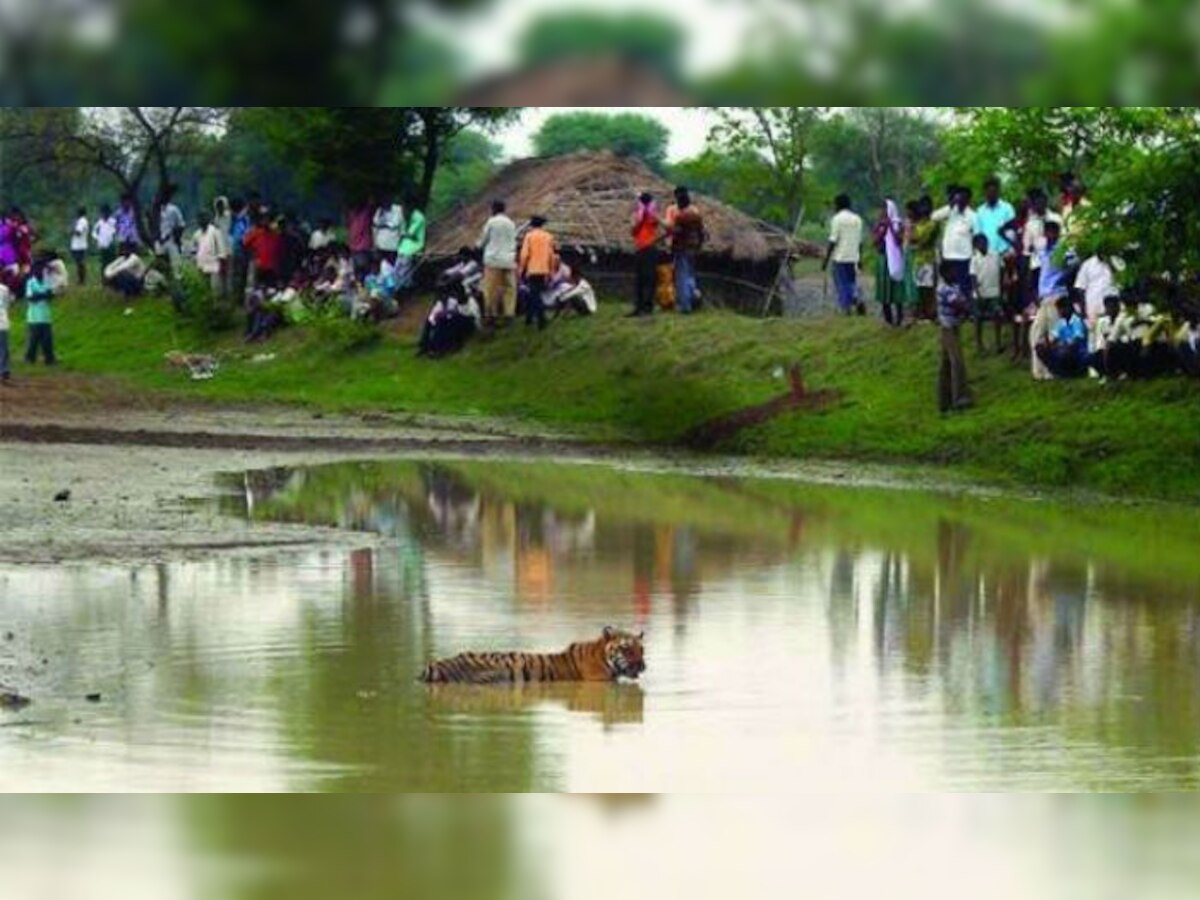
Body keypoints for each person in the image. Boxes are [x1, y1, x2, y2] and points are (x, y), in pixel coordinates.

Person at [1030, 220, 1068, 381]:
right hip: (1043, 296)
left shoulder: (1062, 249)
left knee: (1055, 334)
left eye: (1054, 232)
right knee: (1036, 333)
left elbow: (1072, 266)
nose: (1051, 235)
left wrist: (1061, 280)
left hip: (1057, 294)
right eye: (1048, 232)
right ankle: (1039, 372)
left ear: (1057, 233)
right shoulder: (1042, 250)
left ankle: (1055, 371)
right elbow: (1037, 271)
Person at [936, 260, 973, 414]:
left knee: (946, 364)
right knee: (956, 362)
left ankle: (944, 399)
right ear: (945, 274)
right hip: (949, 328)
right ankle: (959, 398)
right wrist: (968, 308)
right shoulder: (944, 288)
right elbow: (959, 303)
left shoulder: (953, 286)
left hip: (953, 326)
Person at [931, 186, 977, 298]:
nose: (960, 201)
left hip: (964, 258)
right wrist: (950, 206)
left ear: (968, 200)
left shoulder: (973, 216)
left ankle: (965, 311)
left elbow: (977, 236)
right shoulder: (950, 212)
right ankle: (949, 311)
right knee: (949, 287)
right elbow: (933, 217)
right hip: (948, 256)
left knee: (963, 287)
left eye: (963, 198)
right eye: (958, 198)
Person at [823, 194, 864, 315]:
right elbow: (860, 241)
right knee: (851, 281)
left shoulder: (837, 219)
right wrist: (860, 258)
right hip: (854, 257)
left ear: (838, 205)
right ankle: (857, 298)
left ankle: (846, 308)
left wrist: (826, 259)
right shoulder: (857, 219)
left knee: (842, 283)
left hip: (840, 257)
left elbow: (833, 240)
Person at [479, 199, 518, 327]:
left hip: (493, 260)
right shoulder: (511, 223)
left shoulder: (491, 222)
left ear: (494, 209)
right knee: (509, 289)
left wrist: (478, 246)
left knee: (490, 289)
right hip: (509, 260)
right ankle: (509, 314)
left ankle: (491, 315)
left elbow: (483, 240)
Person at [670, 187, 706, 315]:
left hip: (682, 248)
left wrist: (673, 248)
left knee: (682, 277)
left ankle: (685, 306)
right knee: (690, 276)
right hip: (693, 248)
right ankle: (694, 299)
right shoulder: (697, 215)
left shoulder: (680, 217)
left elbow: (676, 234)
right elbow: (702, 232)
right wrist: (700, 246)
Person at [519, 215, 557, 331]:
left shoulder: (529, 236)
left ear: (532, 225)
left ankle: (541, 318)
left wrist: (521, 269)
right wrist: (551, 271)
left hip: (532, 269)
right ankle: (529, 318)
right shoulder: (548, 237)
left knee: (534, 295)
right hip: (544, 269)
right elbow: (551, 256)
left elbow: (525, 255)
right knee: (534, 293)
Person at [873, 199, 907, 327]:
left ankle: (899, 317)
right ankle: (888, 319)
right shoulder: (879, 224)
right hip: (883, 259)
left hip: (895, 259)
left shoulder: (898, 224)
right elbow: (875, 241)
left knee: (896, 289)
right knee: (884, 289)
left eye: (884, 209)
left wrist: (890, 227)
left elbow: (898, 241)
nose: (881, 212)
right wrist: (882, 229)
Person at [1036, 295, 1089, 378]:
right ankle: (1059, 372)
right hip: (1063, 350)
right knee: (1040, 348)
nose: (1059, 312)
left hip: (1077, 354)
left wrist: (1061, 345)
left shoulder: (1076, 320)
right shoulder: (1061, 322)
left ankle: (1072, 373)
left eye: (1060, 309)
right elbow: (1054, 338)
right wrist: (1047, 343)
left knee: (1066, 350)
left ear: (1067, 308)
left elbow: (1076, 341)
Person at [970, 233, 1004, 354]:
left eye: (984, 242)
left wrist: (1002, 289)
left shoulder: (995, 255)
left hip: (994, 291)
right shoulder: (974, 259)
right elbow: (973, 277)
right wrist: (977, 293)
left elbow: (1002, 270)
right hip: (980, 293)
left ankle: (998, 342)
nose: (983, 245)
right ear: (976, 246)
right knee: (978, 319)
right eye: (980, 243)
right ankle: (979, 345)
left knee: (997, 316)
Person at [630, 192, 662, 317]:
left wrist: (650, 215)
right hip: (640, 248)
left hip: (650, 248)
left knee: (649, 278)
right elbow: (633, 231)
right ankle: (638, 307)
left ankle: (648, 307)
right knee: (639, 279)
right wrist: (641, 218)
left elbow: (663, 225)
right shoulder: (637, 216)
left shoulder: (653, 216)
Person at [908, 198, 939, 321]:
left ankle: (929, 313)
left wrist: (914, 236)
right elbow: (912, 239)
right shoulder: (919, 224)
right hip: (918, 259)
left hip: (928, 259)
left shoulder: (932, 224)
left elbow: (920, 239)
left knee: (928, 288)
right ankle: (920, 312)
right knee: (919, 287)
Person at [23, 259, 56, 366]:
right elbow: (30, 298)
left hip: (46, 316)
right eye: (38, 269)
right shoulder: (30, 282)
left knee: (47, 340)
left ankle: (49, 359)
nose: (41, 271)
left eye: (42, 269)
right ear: (34, 270)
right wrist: (44, 295)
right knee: (33, 340)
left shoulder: (47, 281)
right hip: (34, 316)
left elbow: (51, 295)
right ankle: (30, 358)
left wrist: (39, 295)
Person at [1075, 252, 1116, 331]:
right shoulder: (1087, 265)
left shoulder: (1115, 261)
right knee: (1094, 339)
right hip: (1093, 310)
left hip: (1111, 310)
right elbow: (1080, 289)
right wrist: (1084, 314)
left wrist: (1111, 265)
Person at [975, 177, 1017, 255]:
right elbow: (978, 233)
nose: (991, 194)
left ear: (998, 192)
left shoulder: (1008, 208)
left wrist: (1011, 249)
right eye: (989, 192)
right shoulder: (979, 211)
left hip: (1005, 253)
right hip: (986, 253)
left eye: (994, 192)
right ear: (985, 192)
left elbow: (1013, 230)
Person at [243, 214, 285, 290]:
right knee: (255, 287)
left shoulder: (278, 235)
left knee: (270, 288)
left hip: (272, 267)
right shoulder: (257, 232)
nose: (267, 223)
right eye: (265, 220)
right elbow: (246, 243)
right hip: (259, 265)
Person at [1087, 295, 1123, 380]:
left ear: (1118, 307)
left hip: (1118, 348)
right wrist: (1102, 350)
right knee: (1095, 356)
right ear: (1106, 308)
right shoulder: (1101, 322)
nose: (1112, 310)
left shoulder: (1121, 319)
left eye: (1114, 307)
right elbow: (1099, 340)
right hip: (1105, 350)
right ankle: (1105, 373)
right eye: (1109, 307)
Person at [394, 199, 426, 287]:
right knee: (396, 270)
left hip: (413, 247)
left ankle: (403, 289)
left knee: (404, 271)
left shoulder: (419, 217)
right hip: (404, 247)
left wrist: (402, 233)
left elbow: (409, 234)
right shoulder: (408, 216)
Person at [155, 184, 185, 275]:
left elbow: (181, 225)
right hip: (160, 241)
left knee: (175, 266)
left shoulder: (174, 209)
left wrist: (176, 236)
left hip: (171, 240)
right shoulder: (156, 210)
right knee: (160, 265)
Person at [194, 212, 225, 294]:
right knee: (203, 289)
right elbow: (195, 249)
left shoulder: (215, 232)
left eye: (203, 218)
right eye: (199, 219)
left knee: (215, 289)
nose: (201, 221)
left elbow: (221, 249)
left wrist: (221, 264)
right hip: (201, 265)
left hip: (214, 265)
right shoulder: (197, 234)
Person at [347, 200, 375, 279]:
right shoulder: (352, 217)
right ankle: (359, 284)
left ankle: (365, 283)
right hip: (353, 247)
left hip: (362, 247)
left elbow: (369, 206)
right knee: (356, 268)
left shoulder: (364, 215)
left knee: (363, 267)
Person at [372, 195, 404, 260]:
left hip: (393, 245)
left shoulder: (398, 209)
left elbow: (397, 224)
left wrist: (384, 225)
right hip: (380, 244)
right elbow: (375, 224)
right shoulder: (379, 210)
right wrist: (375, 243)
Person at [92, 205, 118, 272]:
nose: (104, 214)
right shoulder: (99, 223)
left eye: (106, 212)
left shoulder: (113, 221)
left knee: (112, 262)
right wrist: (97, 238)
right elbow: (93, 232)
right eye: (103, 213)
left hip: (111, 245)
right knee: (104, 263)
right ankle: (104, 278)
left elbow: (116, 231)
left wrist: (114, 236)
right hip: (102, 245)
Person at [1176, 309, 1200, 377]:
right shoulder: (1187, 325)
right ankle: (1193, 371)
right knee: (1181, 345)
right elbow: (1178, 337)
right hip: (1194, 353)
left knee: (1197, 342)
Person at [69, 207, 89, 286]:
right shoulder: (82, 221)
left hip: (79, 245)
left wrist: (72, 229)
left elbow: (78, 232)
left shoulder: (82, 221)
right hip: (79, 245)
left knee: (80, 263)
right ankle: (81, 279)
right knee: (79, 263)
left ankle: (81, 280)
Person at [0, 278, 10, 385]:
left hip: (2, 322)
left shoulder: (4, 289)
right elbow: (7, 305)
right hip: (2, 322)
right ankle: (4, 370)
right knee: (3, 348)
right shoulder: (4, 289)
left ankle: (4, 371)